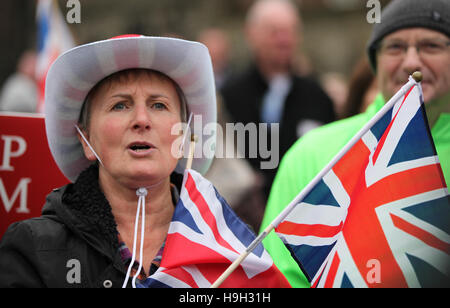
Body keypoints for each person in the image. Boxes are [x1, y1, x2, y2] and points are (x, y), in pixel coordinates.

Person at [0, 35, 219, 288]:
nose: (141, 119)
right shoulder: (32, 250)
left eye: (158, 105)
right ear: (85, 139)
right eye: (120, 106)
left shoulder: (227, 248)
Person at [260, 0, 450, 287]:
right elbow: (276, 276)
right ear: (375, 64)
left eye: (431, 46)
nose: (411, 61)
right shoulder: (313, 153)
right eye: (395, 47)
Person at [220, 0, 336, 201]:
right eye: (273, 32)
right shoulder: (229, 96)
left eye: (291, 31)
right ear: (251, 34)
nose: (284, 40)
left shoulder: (317, 96)